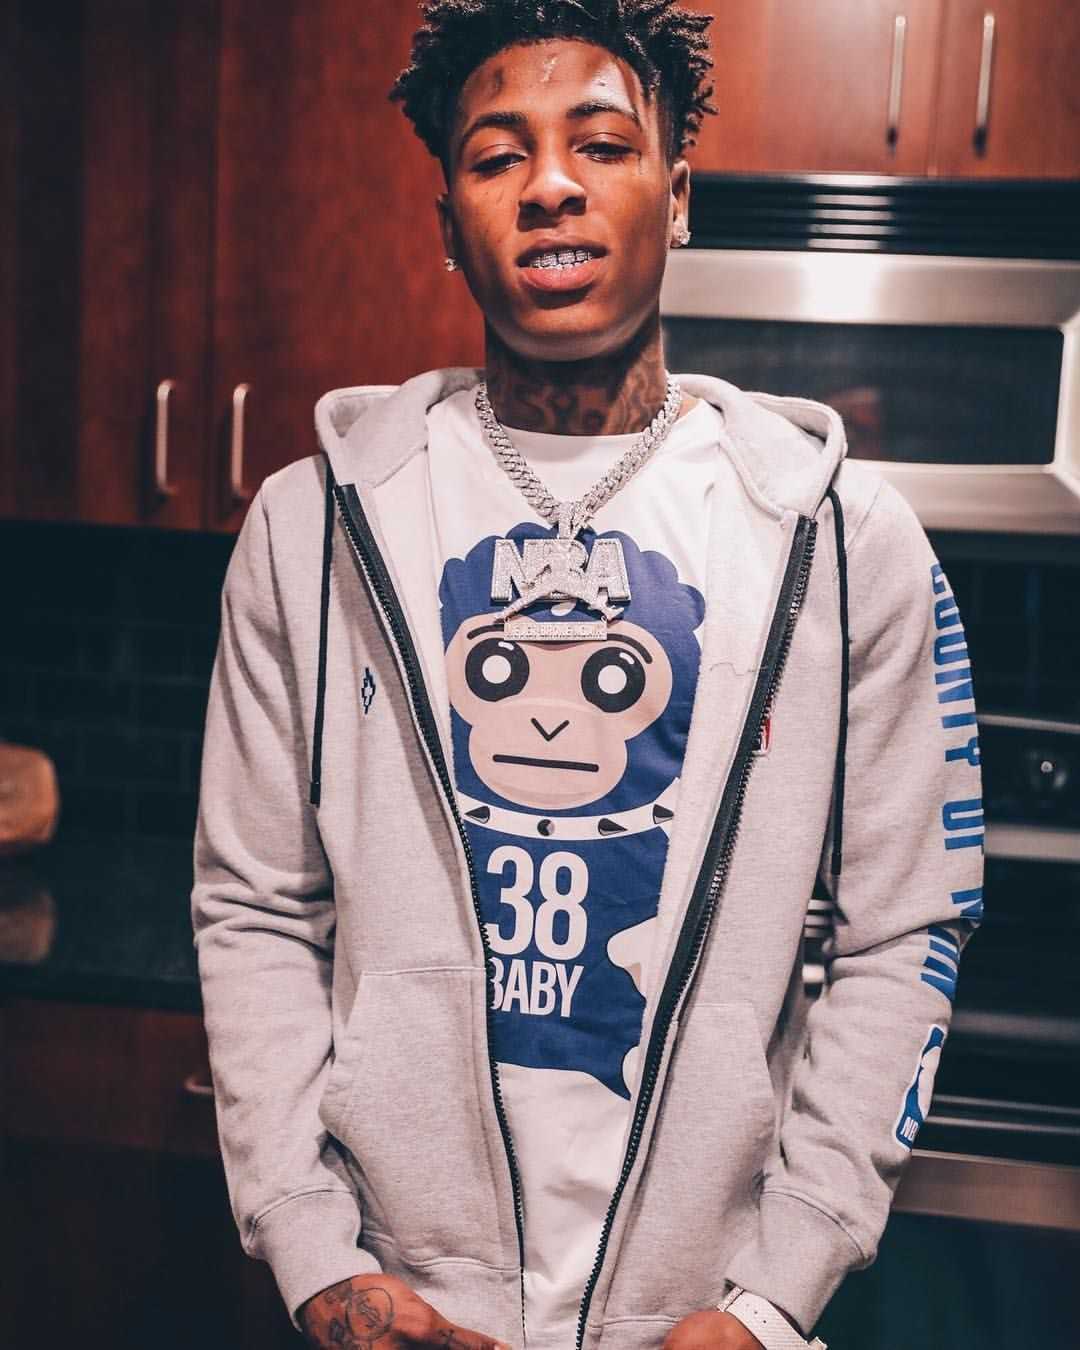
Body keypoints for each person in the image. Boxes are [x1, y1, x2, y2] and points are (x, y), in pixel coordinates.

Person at [190, 3, 985, 1348]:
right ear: (450, 226)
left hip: (706, 1310)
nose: (551, 183)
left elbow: (903, 932)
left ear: (677, 198)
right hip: (402, 1301)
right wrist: (318, 1258)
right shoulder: (311, 526)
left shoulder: (845, 542)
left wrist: (771, 1298)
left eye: (602, 145)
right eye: (498, 155)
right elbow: (256, 906)